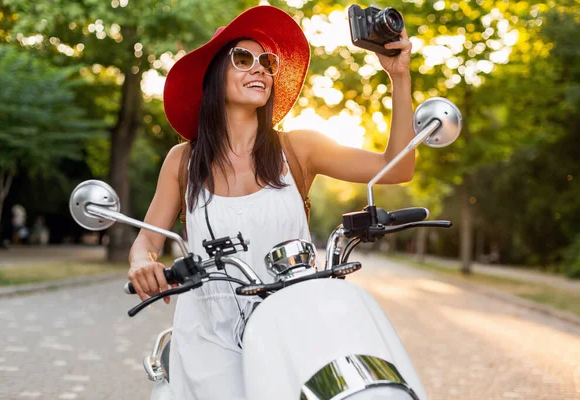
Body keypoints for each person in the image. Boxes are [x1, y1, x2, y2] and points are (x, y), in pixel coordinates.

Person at [127, 5, 413, 399]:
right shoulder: (183, 161)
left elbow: (395, 168)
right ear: (214, 76)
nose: (259, 68)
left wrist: (399, 77)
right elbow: (147, 241)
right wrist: (142, 262)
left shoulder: (299, 149)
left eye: (267, 61)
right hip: (210, 335)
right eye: (243, 59)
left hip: (294, 322)